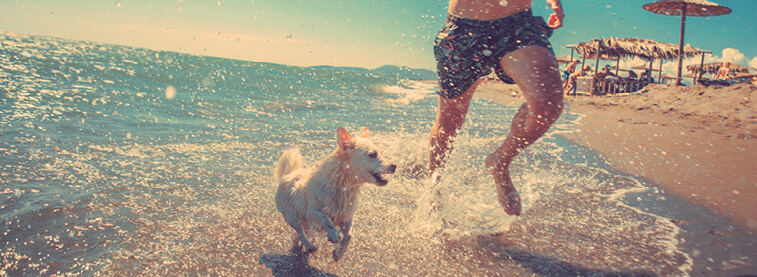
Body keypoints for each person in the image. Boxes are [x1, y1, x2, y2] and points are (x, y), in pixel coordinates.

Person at [430, 0, 565, 216]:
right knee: (449, 124)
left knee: (548, 104)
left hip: (517, 25)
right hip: (463, 31)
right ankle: (433, 193)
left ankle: (500, 161)